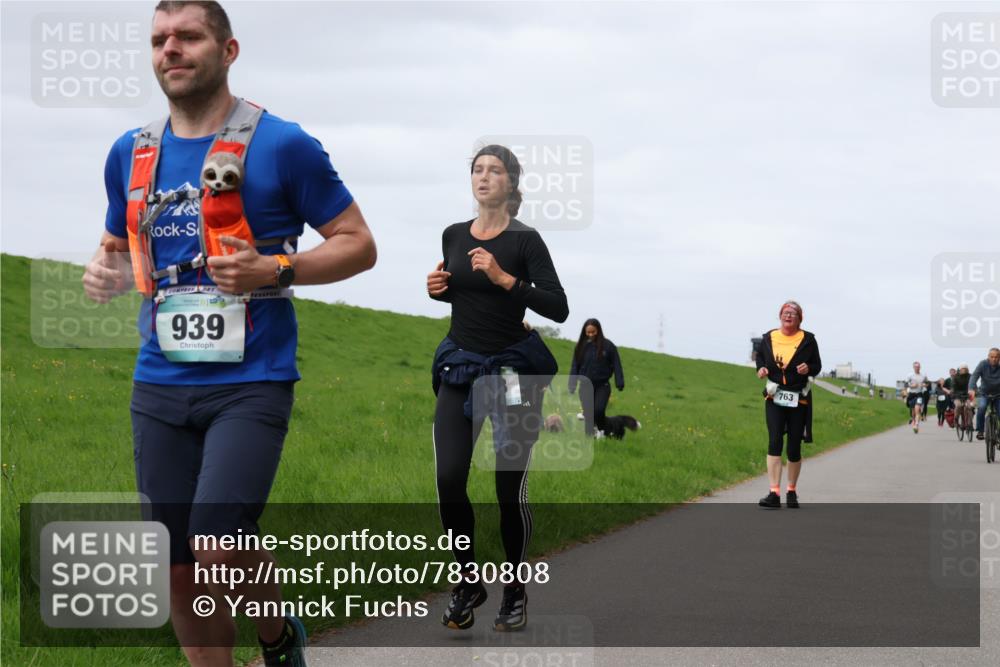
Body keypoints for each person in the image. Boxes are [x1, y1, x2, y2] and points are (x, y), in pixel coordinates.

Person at [82, 3, 376, 665]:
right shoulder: (131, 150)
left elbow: (359, 245)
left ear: (228, 49)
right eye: (159, 40)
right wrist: (104, 269)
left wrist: (276, 265)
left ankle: (276, 636)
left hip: (251, 381)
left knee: (218, 541)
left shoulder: (282, 144)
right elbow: (116, 245)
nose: (171, 50)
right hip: (159, 383)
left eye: (188, 36)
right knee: (178, 563)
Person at [426, 144, 568, 632]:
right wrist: (437, 286)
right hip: (461, 368)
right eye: (477, 170)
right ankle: (467, 582)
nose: (484, 177)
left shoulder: (526, 242)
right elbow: (455, 287)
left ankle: (514, 590)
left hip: (511, 374)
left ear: (511, 183)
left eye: (494, 171)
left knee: (508, 490)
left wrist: (505, 277)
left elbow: (558, 306)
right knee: (448, 481)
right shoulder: (452, 235)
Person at [755, 301, 822, 509]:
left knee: (794, 446)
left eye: (793, 313)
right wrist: (762, 369)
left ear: (800, 318)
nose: (788, 316)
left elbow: (817, 365)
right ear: (780, 316)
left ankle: (791, 491)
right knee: (774, 441)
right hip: (775, 397)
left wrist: (807, 368)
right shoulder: (769, 337)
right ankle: (774, 493)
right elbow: (760, 358)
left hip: (798, 398)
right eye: (785, 312)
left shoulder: (808, 340)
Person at [568, 319, 625, 437]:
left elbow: (616, 364)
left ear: (598, 330)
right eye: (588, 332)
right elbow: (575, 366)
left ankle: (604, 430)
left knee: (598, 411)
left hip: (602, 386)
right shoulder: (580, 347)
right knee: (588, 414)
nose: (590, 335)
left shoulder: (608, 346)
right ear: (584, 332)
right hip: (585, 386)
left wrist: (619, 382)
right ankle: (590, 438)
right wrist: (572, 385)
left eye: (593, 332)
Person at [970, 348, 1000, 440]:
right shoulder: (983, 364)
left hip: (998, 394)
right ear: (988, 357)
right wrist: (971, 388)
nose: (994, 359)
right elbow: (974, 376)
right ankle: (980, 431)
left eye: (996, 357)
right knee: (982, 408)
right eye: (992, 357)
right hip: (984, 393)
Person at [905, 362, 928, 433]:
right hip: (911, 394)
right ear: (913, 367)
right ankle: (914, 422)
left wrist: (924, 385)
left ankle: (916, 425)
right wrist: (912, 386)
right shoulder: (910, 375)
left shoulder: (923, 375)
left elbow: (927, 383)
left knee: (917, 410)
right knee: (913, 411)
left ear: (920, 367)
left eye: (918, 367)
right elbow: (906, 384)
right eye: (915, 367)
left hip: (919, 394)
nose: (917, 368)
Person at [952, 363, 973, 434]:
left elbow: (973, 385)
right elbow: (954, 388)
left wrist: (974, 391)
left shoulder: (970, 376)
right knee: (958, 405)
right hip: (957, 396)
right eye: (963, 369)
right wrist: (956, 394)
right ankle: (956, 419)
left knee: (969, 407)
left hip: (967, 395)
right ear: (960, 370)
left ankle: (969, 424)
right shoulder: (956, 377)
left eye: (965, 369)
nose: (964, 370)